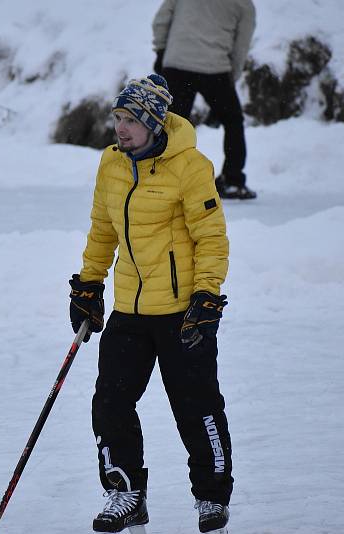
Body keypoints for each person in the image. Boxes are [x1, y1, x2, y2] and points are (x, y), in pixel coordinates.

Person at [68, 74, 233, 533]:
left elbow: (211, 238)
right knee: (110, 404)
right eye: (117, 118)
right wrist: (88, 285)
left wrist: (207, 294)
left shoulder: (190, 166)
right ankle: (126, 492)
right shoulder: (111, 164)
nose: (120, 129)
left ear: (154, 122)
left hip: (184, 313)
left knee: (196, 407)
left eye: (131, 120)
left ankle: (211, 498)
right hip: (130, 312)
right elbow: (103, 229)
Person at [152, 0, 257, 200]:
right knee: (233, 121)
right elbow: (240, 47)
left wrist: (161, 52)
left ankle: (160, 176)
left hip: (177, 65)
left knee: (171, 124)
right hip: (214, 70)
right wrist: (229, 80)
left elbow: (161, 21)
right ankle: (232, 180)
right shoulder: (244, 4)